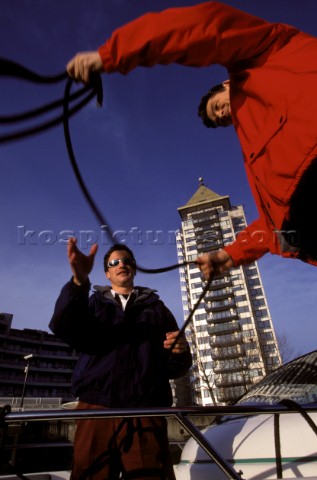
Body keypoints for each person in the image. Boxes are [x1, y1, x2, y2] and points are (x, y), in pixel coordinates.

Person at [65, 1, 317, 279]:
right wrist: (229, 255)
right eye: (220, 120)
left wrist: (112, 54)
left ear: (224, 85)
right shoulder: (259, 156)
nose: (221, 115)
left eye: (216, 107)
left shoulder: (264, 55)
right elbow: (275, 228)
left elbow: (204, 26)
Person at [49, 238, 192, 480]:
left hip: (145, 411)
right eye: (114, 262)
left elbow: (174, 367)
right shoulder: (92, 304)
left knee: (150, 475)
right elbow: (62, 325)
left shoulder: (157, 309)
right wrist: (78, 282)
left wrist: (180, 351)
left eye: (126, 261)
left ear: (134, 268)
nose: (121, 264)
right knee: (90, 474)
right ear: (107, 273)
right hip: (95, 409)